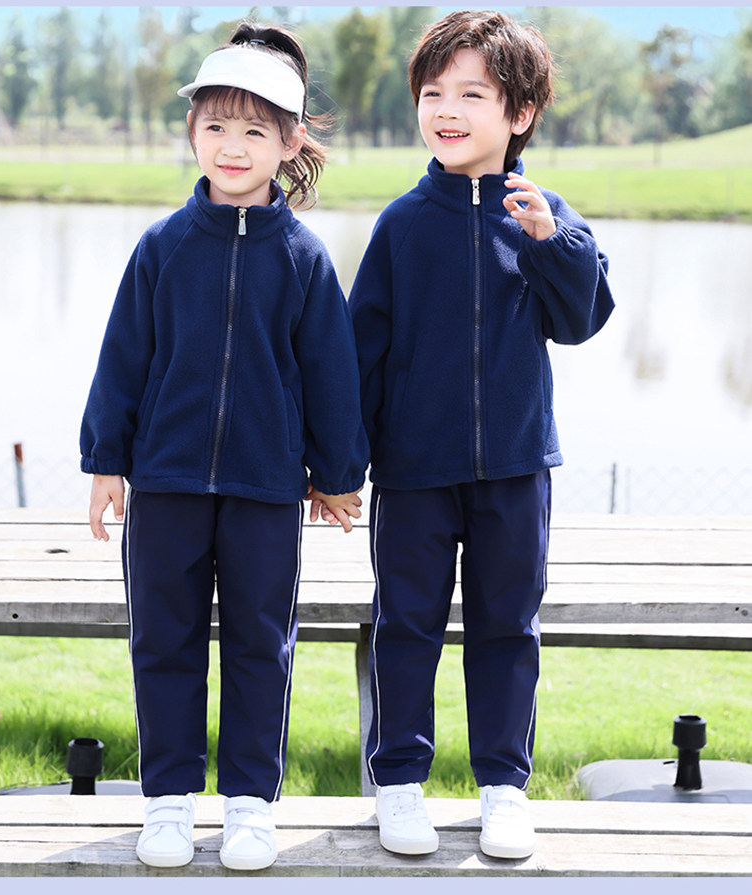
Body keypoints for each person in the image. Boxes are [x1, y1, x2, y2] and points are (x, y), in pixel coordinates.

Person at [80, 23, 367, 872]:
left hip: (266, 490)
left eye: (253, 130)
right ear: (191, 132)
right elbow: (123, 359)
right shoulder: (161, 248)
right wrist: (106, 459)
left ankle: (249, 804)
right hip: (166, 483)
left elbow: (332, 374)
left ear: (289, 142)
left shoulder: (305, 259)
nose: (232, 146)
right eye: (215, 126)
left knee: (259, 645)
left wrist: (337, 473)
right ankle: (167, 801)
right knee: (163, 642)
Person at [348, 9, 614, 860]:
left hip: (515, 468)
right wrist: (341, 464)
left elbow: (582, 319)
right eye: (434, 94)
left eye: (472, 94)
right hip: (413, 473)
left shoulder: (544, 215)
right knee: (404, 625)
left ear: (520, 112)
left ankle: (504, 787)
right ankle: (398, 783)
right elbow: (360, 355)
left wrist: (550, 243)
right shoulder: (400, 225)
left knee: (508, 627)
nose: (447, 110)